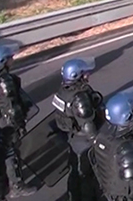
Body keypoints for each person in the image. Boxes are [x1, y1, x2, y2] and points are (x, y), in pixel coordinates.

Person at [52, 58, 104, 201]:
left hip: (72, 137)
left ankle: (73, 196)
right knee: (88, 174)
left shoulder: (63, 90)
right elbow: (87, 124)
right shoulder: (79, 98)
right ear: (77, 76)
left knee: (75, 171)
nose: (88, 74)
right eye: (85, 73)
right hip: (84, 139)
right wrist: (97, 142)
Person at [0, 45, 37, 198]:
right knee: (11, 153)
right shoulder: (5, 80)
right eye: (10, 57)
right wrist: (19, 124)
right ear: (3, 61)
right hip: (7, 122)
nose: (13, 59)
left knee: (3, 151)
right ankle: (16, 185)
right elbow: (12, 106)